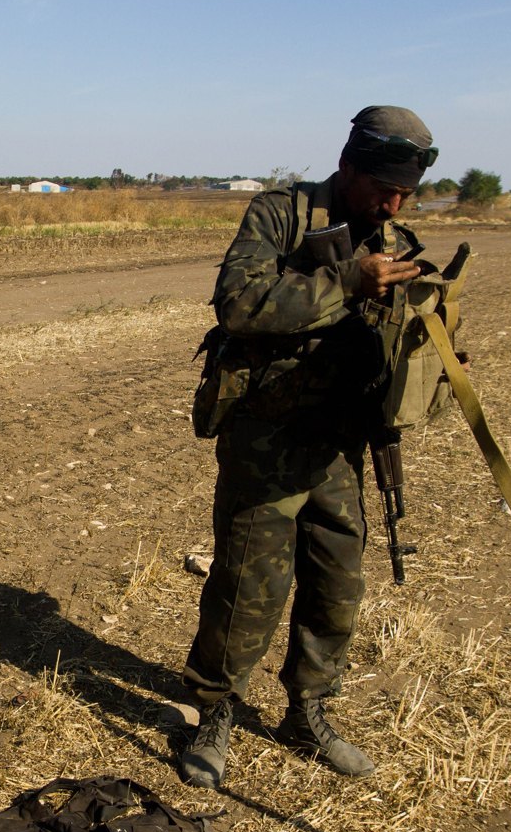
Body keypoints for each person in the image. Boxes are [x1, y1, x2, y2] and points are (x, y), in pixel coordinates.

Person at [178, 106, 437, 788]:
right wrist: (350, 282)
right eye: (384, 188)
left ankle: (309, 709)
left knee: (336, 586)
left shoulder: (395, 236)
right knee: (248, 588)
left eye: (405, 194)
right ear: (348, 167)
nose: (393, 203)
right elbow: (238, 302)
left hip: (338, 443)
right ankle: (215, 709)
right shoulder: (280, 215)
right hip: (266, 431)